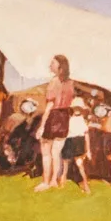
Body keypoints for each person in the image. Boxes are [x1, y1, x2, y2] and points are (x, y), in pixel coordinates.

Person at [38, 53, 76, 189]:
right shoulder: (71, 83)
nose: (50, 65)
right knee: (56, 153)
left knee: (46, 152)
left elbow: (49, 105)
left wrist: (42, 126)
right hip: (64, 117)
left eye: (53, 63)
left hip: (53, 116)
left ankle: (45, 182)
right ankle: (54, 180)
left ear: (60, 67)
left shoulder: (54, 82)